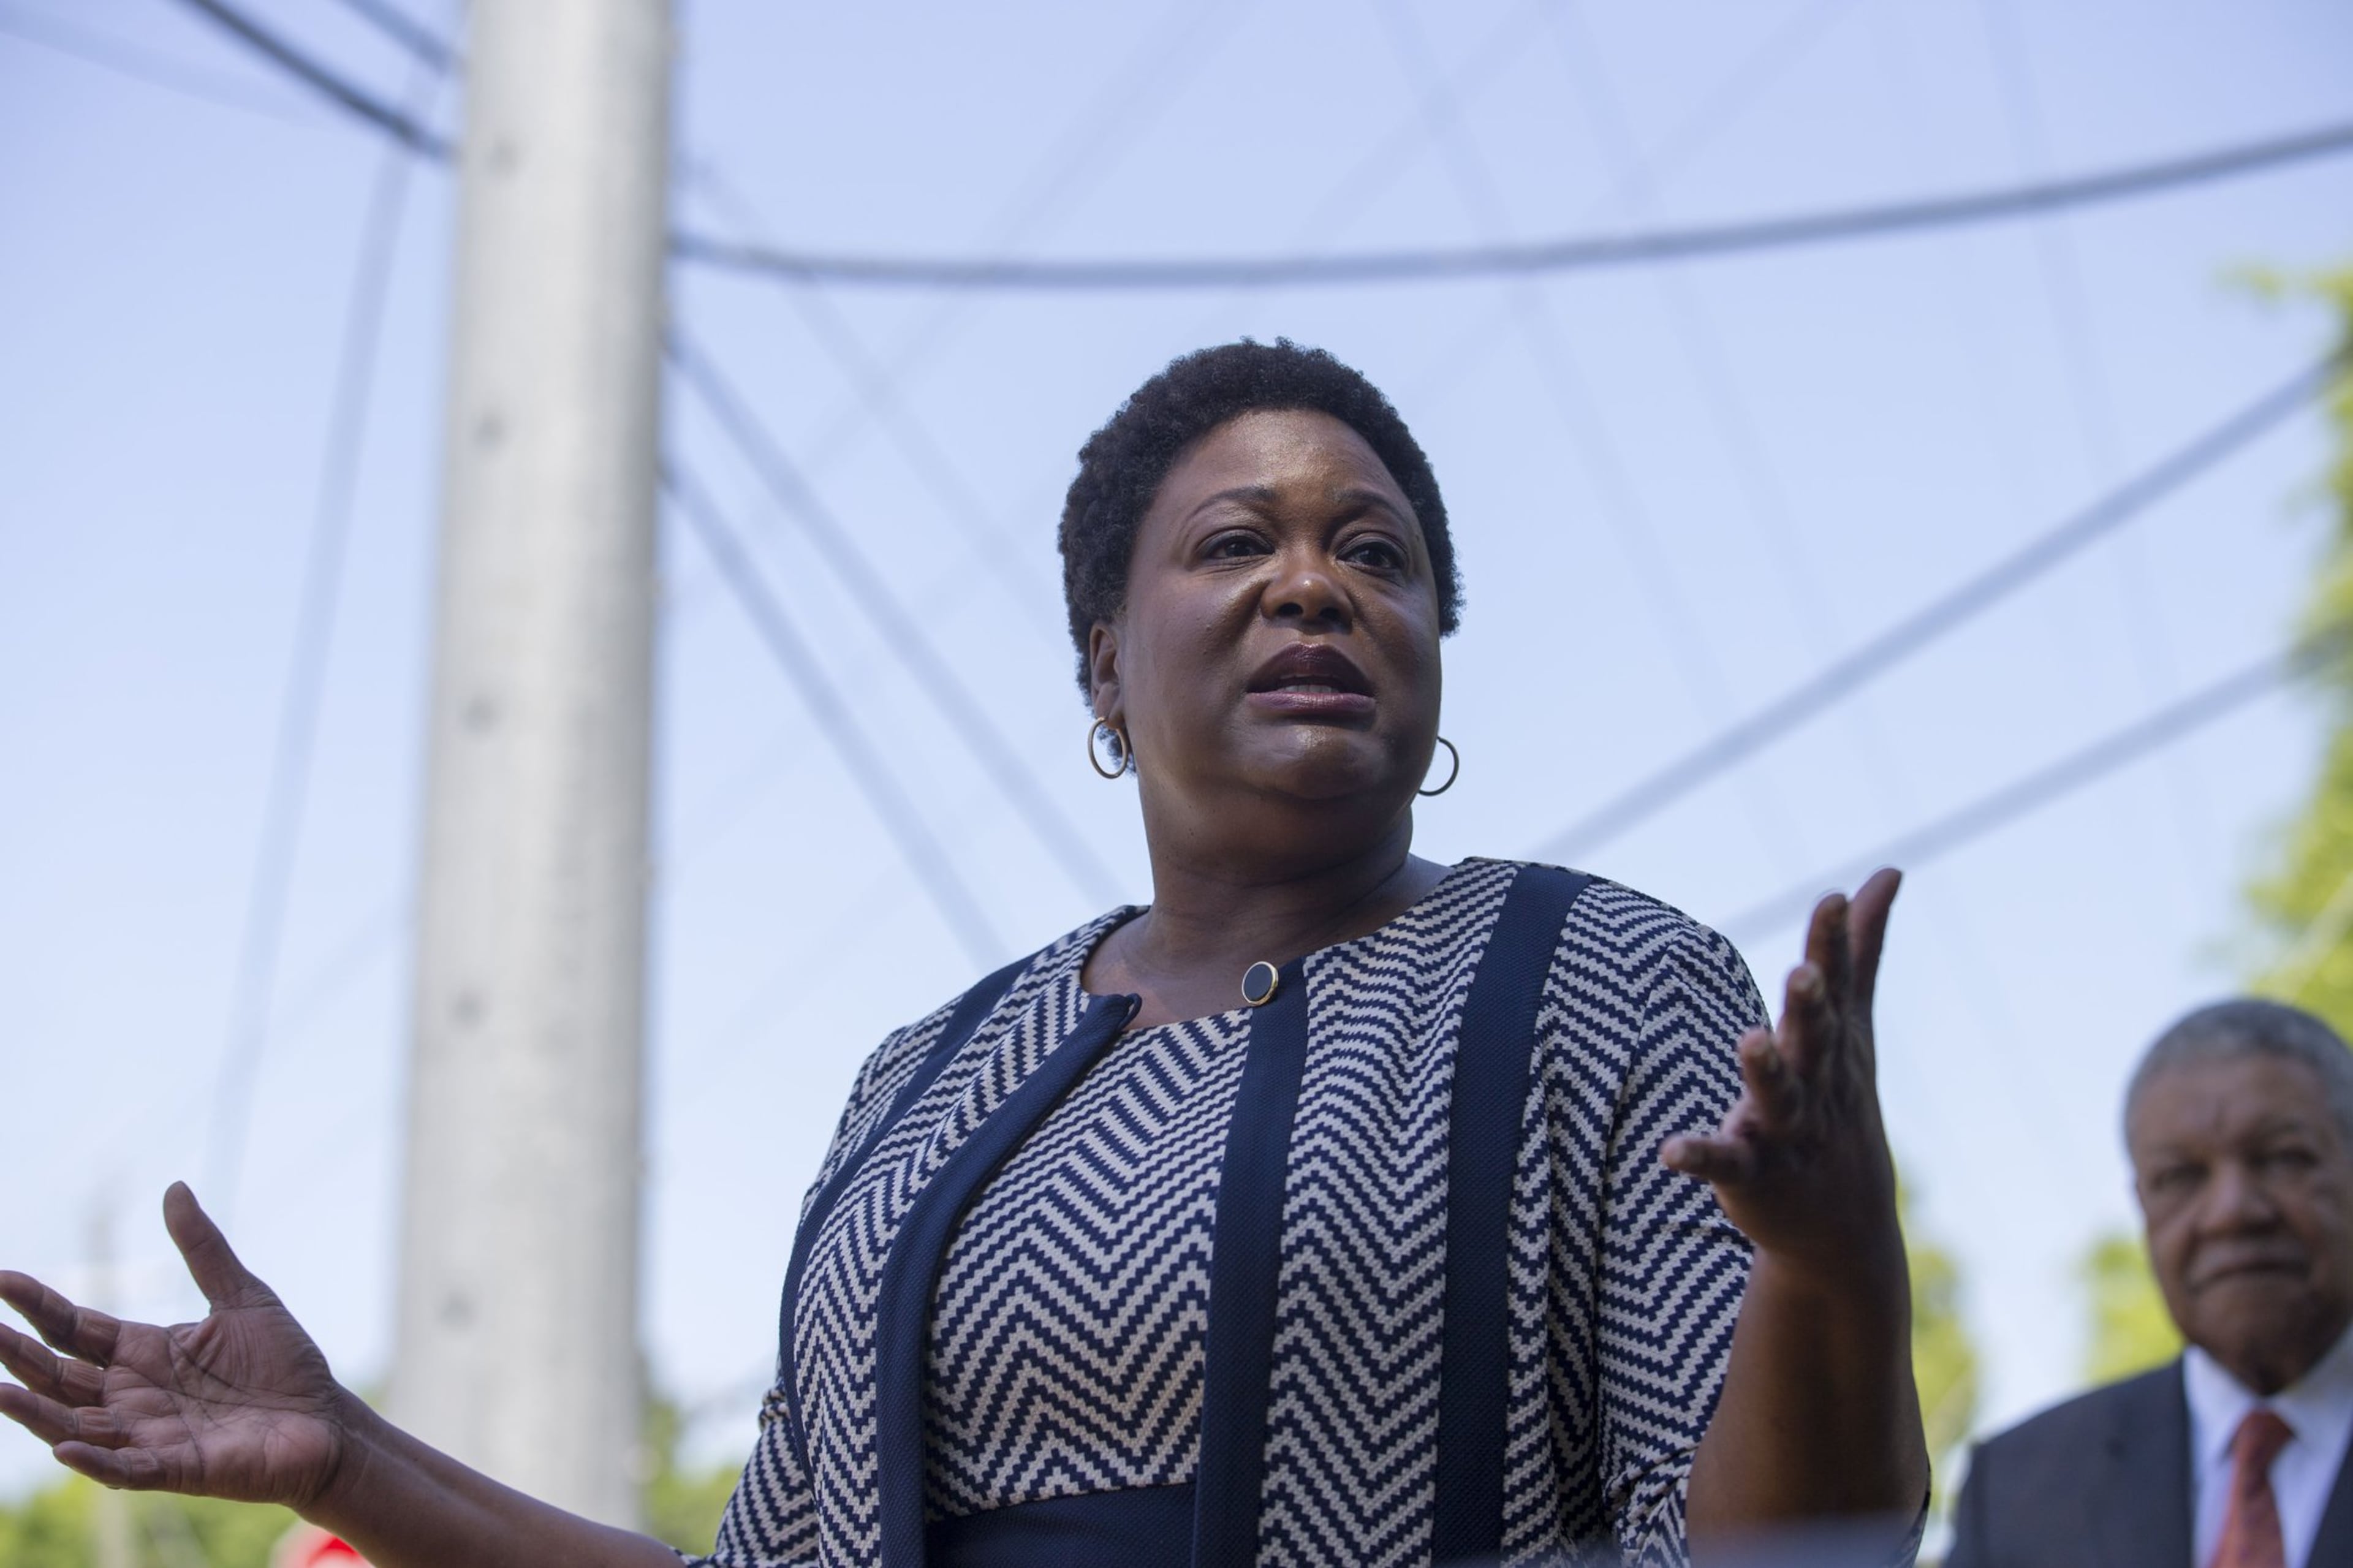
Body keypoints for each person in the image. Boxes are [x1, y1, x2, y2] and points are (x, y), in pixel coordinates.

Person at [0, 341, 1927, 1566]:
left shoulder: (1592, 980)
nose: (1314, 581)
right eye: (1234, 540)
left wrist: (1830, 1263)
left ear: (1431, 647)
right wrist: (347, 1457)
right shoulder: (931, 1077)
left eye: (1378, 552)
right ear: (1102, 657)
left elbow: (1788, 1552)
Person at [1945, 998, 2353, 1567]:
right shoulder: (2020, 1488)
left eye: (2283, 1157)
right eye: (2180, 1176)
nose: (2230, 1211)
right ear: (2144, 1207)